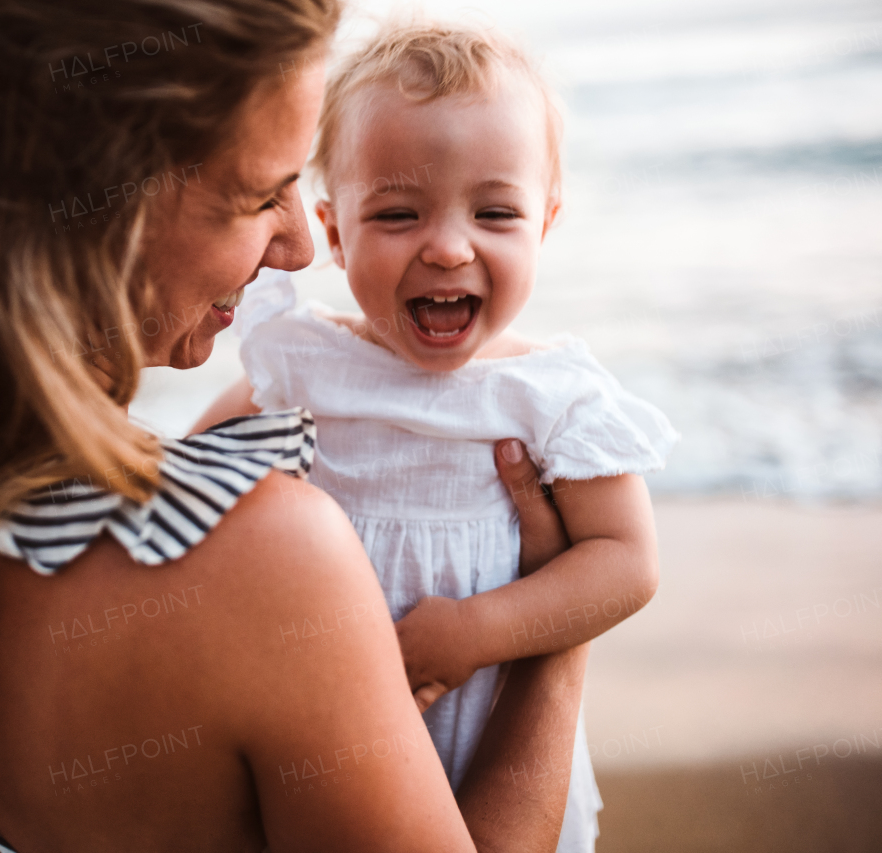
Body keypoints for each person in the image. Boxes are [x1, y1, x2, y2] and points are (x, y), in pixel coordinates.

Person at [0, 1, 590, 850]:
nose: (300, 247)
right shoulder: (266, 563)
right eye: (262, 193)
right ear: (94, 206)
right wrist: (558, 642)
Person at [197, 22, 678, 851]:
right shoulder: (306, 364)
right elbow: (186, 475)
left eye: (495, 212)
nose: (449, 246)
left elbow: (626, 563)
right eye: (396, 212)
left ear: (547, 220)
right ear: (335, 230)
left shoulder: (551, 398)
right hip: (332, 756)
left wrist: (480, 631)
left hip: (501, 751)